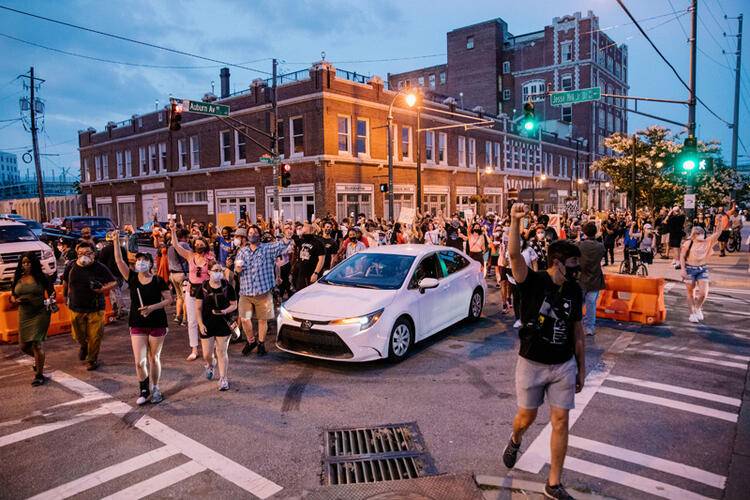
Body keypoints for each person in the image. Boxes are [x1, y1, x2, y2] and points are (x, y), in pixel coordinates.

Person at [503, 203, 585, 500]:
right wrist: (515, 220)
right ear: (558, 263)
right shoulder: (533, 281)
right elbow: (513, 255)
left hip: (563, 365)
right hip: (532, 363)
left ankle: (553, 483)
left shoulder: (575, 291)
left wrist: (581, 368)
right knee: (526, 417)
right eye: (574, 263)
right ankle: (515, 438)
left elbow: (577, 331)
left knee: (561, 421)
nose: (578, 269)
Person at [112, 233, 171, 405]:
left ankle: (155, 387)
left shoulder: (158, 280)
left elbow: (169, 299)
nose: (140, 263)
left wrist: (152, 308)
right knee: (140, 361)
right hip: (137, 323)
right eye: (138, 260)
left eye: (144, 260)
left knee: (154, 358)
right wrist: (116, 242)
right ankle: (143, 389)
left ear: (151, 264)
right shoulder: (131, 278)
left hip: (157, 322)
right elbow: (119, 262)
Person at [234, 224, 293, 356]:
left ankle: (261, 343)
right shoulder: (242, 251)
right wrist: (237, 270)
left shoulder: (267, 249)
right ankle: (251, 341)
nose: (252, 234)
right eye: (250, 232)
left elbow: (280, 245)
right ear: (247, 235)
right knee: (244, 319)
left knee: (262, 319)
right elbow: (236, 267)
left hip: (263, 291)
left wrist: (288, 236)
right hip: (245, 292)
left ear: (259, 235)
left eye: (255, 232)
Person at [62, 241, 117, 371]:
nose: (83, 256)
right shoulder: (71, 266)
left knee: (95, 336)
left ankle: (92, 359)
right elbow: (65, 282)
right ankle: (83, 345)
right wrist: (65, 296)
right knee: (78, 335)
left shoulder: (100, 267)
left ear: (93, 254)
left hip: (96, 308)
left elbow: (113, 282)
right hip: (76, 306)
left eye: (87, 253)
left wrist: (102, 288)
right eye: (80, 253)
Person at [168, 221, 215, 361]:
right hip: (192, 291)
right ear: (193, 245)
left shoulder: (210, 257)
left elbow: (215, 270)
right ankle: (194, 349)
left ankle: (209, 348)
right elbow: (175, 245)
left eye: (202, 244)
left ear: (206, 246)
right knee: (192, 321)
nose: (199, 246)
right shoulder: (190, 255)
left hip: (206, 292)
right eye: (197, 244)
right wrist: (172, 231)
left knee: (207, 319)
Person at [679, 205, 734, 323]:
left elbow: (719, 232)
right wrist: (683, 269)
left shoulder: (708, 241)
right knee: (690, 292)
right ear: (694, 235)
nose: (702, 236)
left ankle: (698, 308)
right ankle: (692, 313)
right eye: (699, 234)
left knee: (703, 293)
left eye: (702, 234)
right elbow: (682, 256)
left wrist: (719, 221)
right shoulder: (688, 243)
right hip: (689, 269)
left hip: (702, 269)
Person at [11, 252, 55, 386]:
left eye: (28, 262)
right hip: (24, 314)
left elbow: (52, 293)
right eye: (23, 263)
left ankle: (39, 375)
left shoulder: (42, 277)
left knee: (36, 344)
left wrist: (50, 301)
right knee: (24, 346)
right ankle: (39, 361)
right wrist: (16, 300)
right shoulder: (17, 277)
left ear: (34, 263)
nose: (26, 265)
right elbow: (12, 295)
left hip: (40, 312)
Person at [195, 262, 237, 391]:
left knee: (222, 352)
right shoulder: (202, 288)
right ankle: (210, 364)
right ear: (209, 272)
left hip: (223, 323)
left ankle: (223, 378)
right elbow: (198, 308)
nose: (218, 272)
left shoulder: (227, 287)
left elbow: (234, 304)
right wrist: (201, 324)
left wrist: (224, 311)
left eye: (220, 270)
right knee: (207, 354)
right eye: (215, 270)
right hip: (207, 323)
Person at [576, 222, 605, 336]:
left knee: (578, 304)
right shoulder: (600, 246)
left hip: (581, 278)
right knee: (591, 304)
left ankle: (575, 325)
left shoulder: (579, 245)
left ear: (584, 232)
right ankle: (590, 327)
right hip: (595, 278)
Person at [292, 223, 325, 292]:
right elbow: (291, 237)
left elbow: (321, 260)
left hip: (312, 273)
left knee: (312, 294)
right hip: (301, 274)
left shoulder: (318, 243)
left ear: (311, 229)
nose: (302, 228)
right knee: (300, 293)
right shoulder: (302, 240)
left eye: (305, 226)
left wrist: (316, 273)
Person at [167, 228, 190, 326]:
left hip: (173, 274)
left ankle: (177, 316)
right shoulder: (183, 245)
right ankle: (185, 319)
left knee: (179, 296)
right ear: (184, 237)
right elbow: (192, 256)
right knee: (186, 298)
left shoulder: (170, 246)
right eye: (187, 237)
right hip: (182, 274)